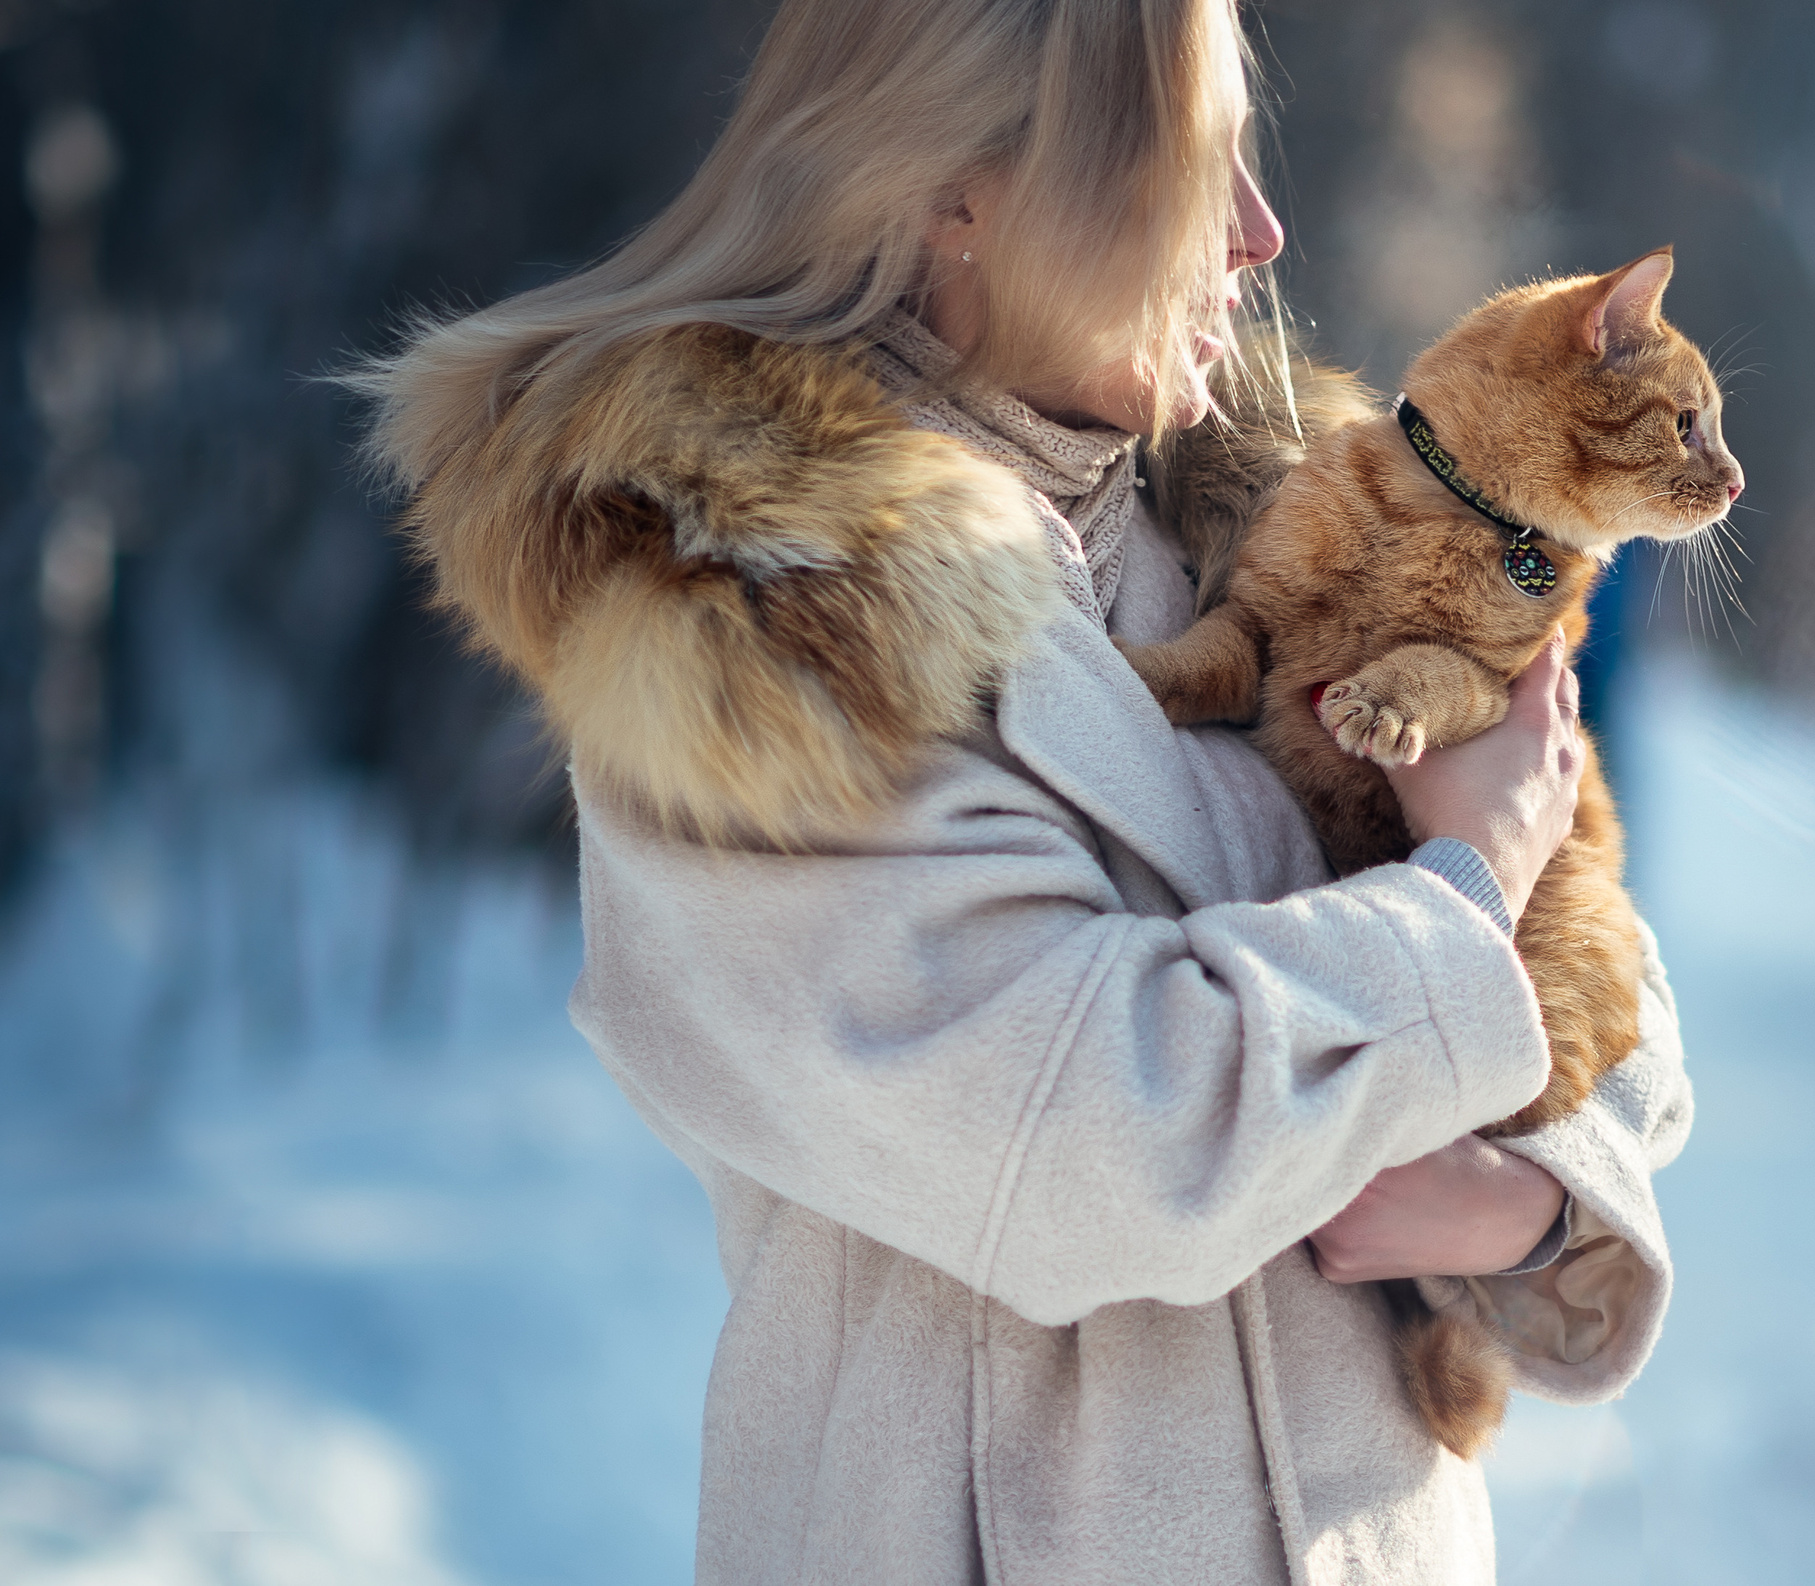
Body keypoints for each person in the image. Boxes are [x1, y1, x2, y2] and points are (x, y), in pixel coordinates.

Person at [356, 1, 1691, 1579]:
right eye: (1202, 170)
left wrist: (1521, 1208)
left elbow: (1616, 994)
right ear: (958, 190)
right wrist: (1458, 884)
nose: (1263, 235)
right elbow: (1085, 1146)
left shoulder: (1292, 521)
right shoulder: (751, 610)